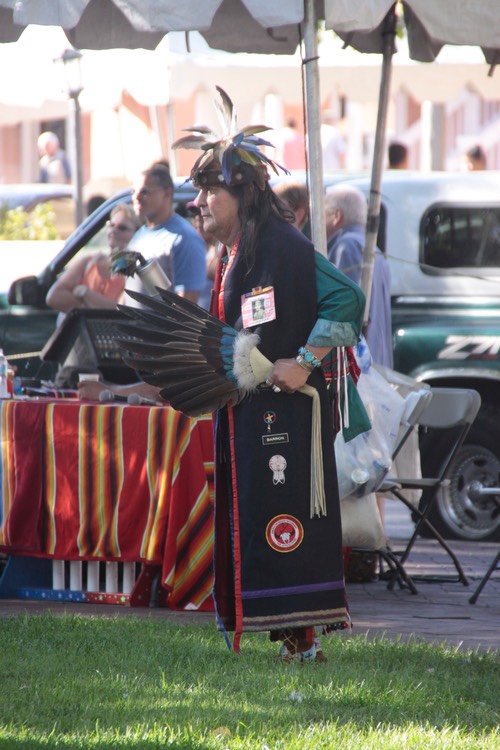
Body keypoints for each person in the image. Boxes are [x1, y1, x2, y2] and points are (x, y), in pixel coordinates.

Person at [171, 87, 366, 662]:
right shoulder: (239, 251)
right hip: (251, 414)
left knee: (286, 518)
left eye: (210, 190)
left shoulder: (282, 245)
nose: (200, 201)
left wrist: (302, 360)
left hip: (289, 415)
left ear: (245, 192)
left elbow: (348, 301)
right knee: (257, 513)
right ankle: (288, 635)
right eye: (199, 190)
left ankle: (304, 639)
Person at [325, 183, 393, 369]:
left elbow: (344, 312)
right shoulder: (373, 249)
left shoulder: (348, 246)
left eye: (322, 212)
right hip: (376, 361)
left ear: (336, 216)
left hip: (359, 366)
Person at [126, 163, 207, 305]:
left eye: (144, 191)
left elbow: (187, 308)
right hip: (133, 326)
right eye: (133, 191)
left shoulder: (184, 239)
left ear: (167, 193)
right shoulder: (138, 237)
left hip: (161, 328)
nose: (136, 197)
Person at [46, 202, 141, 314]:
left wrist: (85, 292)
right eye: (111, 225)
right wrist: (96, 308)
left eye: (122, 228)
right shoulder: (88, 261)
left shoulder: (136, 269)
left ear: (137, 233)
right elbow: (54, 297)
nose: (114, 231)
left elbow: (121, 312)